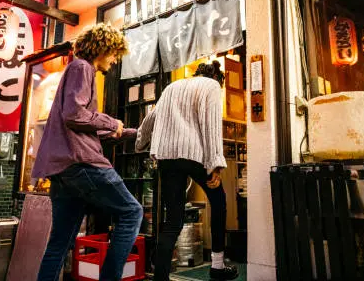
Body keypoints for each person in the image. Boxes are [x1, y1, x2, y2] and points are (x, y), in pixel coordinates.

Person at [33, 24, 143, 281]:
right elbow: (75, 115)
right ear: (103, 48)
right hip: (81, 163)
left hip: (63, 169)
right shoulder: (83, 67)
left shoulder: (75, 70)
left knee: (59, 243)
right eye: (114, 54)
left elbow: (82, 126)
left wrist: (131, 132)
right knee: (132, 212)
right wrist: (110, 122)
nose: (115, 61)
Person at [136, 61, 239, 281]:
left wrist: (140, 142)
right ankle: (217, 267)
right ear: (217, 80)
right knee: (219, 202)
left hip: (166, 157)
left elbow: (150, 119)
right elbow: (211, 125)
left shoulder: (172, 87)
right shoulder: (211, 87)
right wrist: (215, 165)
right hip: (193, 155)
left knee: (173, 221)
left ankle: (160, 277)